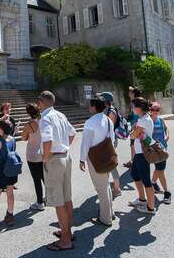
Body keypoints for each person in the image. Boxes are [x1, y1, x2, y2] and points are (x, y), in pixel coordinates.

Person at [38, 91, 76, 252]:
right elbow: (72, 133)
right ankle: (67, 231)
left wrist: (46, 157)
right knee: (67, 198)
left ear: (41, 102)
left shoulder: (45, 118)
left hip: (54, 160)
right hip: (65, 157)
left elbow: (47, 140)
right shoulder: (60, 115)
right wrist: (63, 147)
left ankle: (65, 240)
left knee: (58, 200)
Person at [80, 97, 114, 226]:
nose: (89, 107)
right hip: (108, 155)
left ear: (94, 107)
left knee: (101, 188)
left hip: (95, 157)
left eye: (90, 105)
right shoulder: (108, 120)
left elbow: (86, 143)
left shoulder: (90, 122)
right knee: (106, 186)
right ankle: (110, 212)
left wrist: (82, 159)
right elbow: (112, 138)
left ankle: (105, 218)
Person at [127, 97, 157, 215]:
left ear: (139, 108)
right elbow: (136, 134)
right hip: (140, 152)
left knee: (146, 180)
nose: (132, 109)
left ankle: (150, 208)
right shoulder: (144, 118)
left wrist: (132, 131)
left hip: (142, 153)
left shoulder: (143, 120)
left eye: (134, 106)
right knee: (134, 174)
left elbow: (133, 135)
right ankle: (142, 199)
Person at [97, 92, 123, 197]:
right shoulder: (108, 110)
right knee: (108, 164)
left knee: (111, 164)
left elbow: (109, 127)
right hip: (108, 140)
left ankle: (117, 189)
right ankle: (110, 187)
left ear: (105, 101)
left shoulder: (111, 111)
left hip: (109, 141)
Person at [21, 103, 45, 211]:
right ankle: (50, 197)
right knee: (44, 177)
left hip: (32, 154)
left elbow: (23, 138)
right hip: (43, 152)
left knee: (36, 180)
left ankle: (40, 203)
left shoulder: (28, 124)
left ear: (28, 113)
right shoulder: (43, 121)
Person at [149, 102, 172, 204]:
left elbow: (166, 129)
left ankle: (159, 187)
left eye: (157, 110)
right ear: (150, 110)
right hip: (152, 150)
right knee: (159, 169)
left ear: (159, 111)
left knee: (159, 169)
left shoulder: (160, 120)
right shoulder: (148, 121)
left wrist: (167, 136)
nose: (154, 111)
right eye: (152, 109)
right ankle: (161, 188)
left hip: (162, 149)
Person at [123, 86, 142, 169]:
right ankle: (133, 161)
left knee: (135, 144)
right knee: (133, 144)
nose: (128, 93)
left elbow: (140, 114)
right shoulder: (133, 101)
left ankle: (136, 162)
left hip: (137, 126)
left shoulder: (137, 102)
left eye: (130, 92)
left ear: (133, 93)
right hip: (134, 125)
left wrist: (136, 124)